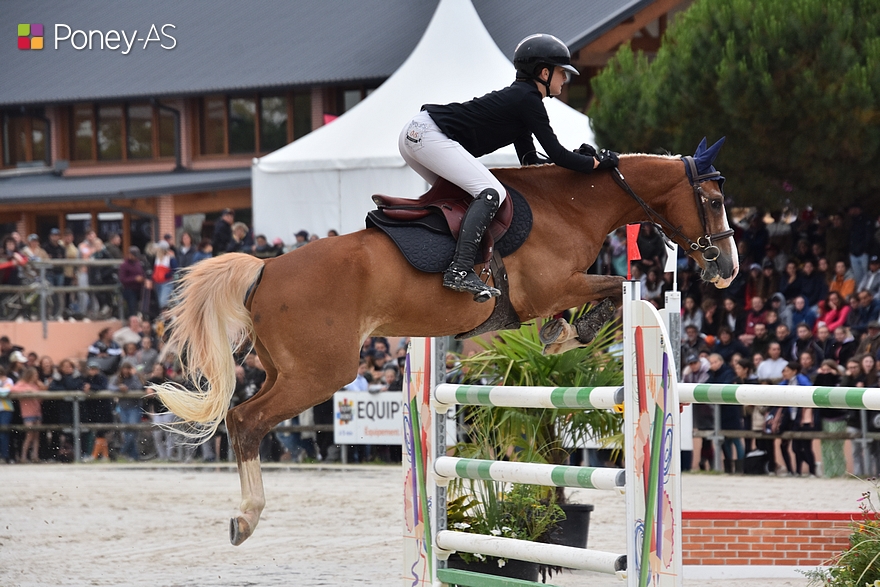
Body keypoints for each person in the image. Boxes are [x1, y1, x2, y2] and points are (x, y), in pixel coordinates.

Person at [398, 33, 617, 302]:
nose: (565, 78)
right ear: (544, 73)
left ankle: (438, 259)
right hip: (427, 135)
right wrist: (595, 163)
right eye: (562, 72)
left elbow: (531, 162)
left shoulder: (521, 100)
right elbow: (557, 154)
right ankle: (460, 270)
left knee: (462, 198)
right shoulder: (528, 100)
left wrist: (578, 159)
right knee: (492, 192)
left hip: (417, 135)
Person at [109, 360, 144, 462]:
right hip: (123, 408)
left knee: (132, 430)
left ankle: (122, 452)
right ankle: (134, 457)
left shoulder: (135, 378)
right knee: (126, 432)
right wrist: (119, 388)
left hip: (135, 407)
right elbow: (110, 386)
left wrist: (130, 385)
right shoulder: (118, 378)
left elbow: (139, 387)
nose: (126, 372)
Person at [11, 366, 46, 463]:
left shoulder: (36, 385)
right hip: (27, 412)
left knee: (36, 435)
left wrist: (41, 387)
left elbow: (42, 394)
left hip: (37, 411)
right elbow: (13, 389)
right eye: (35, 375)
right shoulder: (22, 383)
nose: (36, 377)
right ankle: (23, 456)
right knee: (29, 434)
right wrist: (26, 391)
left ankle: (35, 455)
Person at [80, 360, 111, 461]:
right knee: (98, 432)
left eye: (94, 369)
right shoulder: (86, 378)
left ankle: (94, 455)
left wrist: (91, 388)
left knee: (100, 431)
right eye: (91, 369)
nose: (93, 371)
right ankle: (105, 456)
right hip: (92, 408)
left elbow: (103, 387)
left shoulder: (102, 378)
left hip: (103, 408)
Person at [118, 246, 146, 317]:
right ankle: (132, 316)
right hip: (129, 289)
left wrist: (143, 278)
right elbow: (122, 279)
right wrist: (134, 279)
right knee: (132, 303)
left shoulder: (139, 263)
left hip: (139, 288)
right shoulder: (124, 265)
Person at [152, 241, 178, 311]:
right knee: (160, 302)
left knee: (163, 302)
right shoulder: (157, 258)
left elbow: (175, 269)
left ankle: (167, 314)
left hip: (166, 282)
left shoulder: (170, 258)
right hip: (158, 283)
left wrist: (166, 276)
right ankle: (164, 315)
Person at [0, 366, 14, 463]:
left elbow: (5, 392)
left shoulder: (8, 380)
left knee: (4, 433)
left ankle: (5, 456)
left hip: (5, 409)